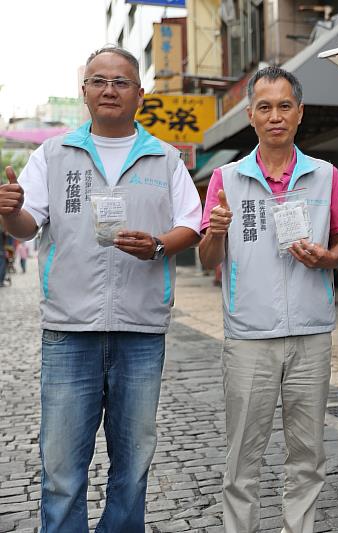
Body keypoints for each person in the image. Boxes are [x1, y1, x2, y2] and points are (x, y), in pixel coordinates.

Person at [0, 45, 201, 532]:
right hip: (69, 332)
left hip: (141, 331)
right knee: (62, 472)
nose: (109, 89)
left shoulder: (166, 158)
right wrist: (8, 210)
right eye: (98, 80)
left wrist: (157, 244)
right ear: (84, 92)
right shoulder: (53, 154)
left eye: (121, 81)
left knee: (132, 470)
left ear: (140, 94)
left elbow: (191, 226)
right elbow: (28, 226)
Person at [198, 66, 338, 533]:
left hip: (311, 333)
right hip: (249, 336)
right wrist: (216, 233)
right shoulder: (226, 179)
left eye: (285, 106)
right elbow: (207, 260)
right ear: (251, 115)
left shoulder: (325, 175)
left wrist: (326, 257)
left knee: (308, 454)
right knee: (243, 454)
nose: (276, 115)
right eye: (265, 107)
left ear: (300, 113)